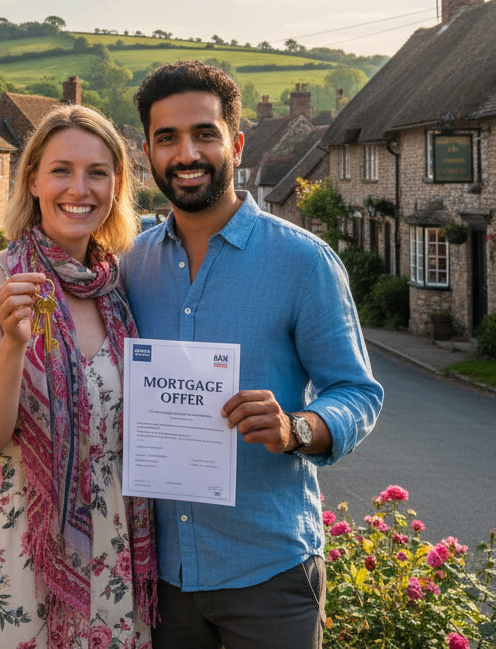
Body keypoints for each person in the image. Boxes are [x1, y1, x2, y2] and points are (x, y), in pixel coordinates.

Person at [122, 61, 384, 649]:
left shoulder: (303, 262)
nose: (186, 153)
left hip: (268, 573)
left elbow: (358, 392)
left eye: (204, 134)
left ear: (235, 143)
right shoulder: (129, 266)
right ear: (148, 152)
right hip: (161, 577)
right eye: (168, 138)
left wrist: (296, 427)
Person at [0, 105, 157, 649]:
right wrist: (14, 345)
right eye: (61, 170)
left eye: (98, 172)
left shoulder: (118, 290)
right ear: (33, 179)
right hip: (15, 544)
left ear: (116, 186)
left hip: (112, 548)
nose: (78, 188)